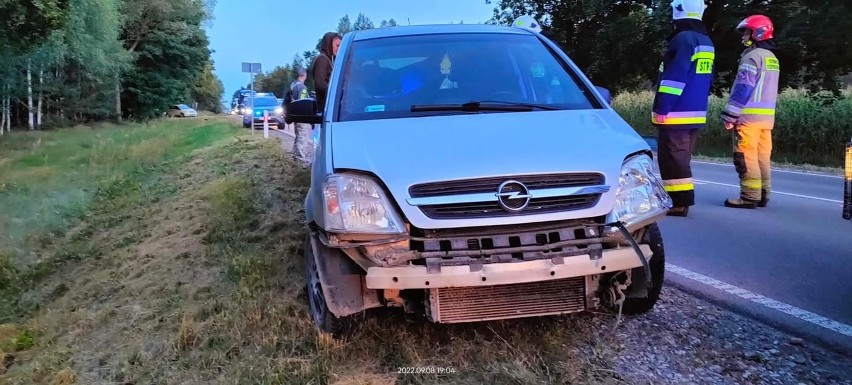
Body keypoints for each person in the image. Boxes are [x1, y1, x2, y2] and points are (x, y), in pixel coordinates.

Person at [650, 0, 715, 217]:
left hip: (676, 112)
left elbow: (674, 78)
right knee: (681, 157)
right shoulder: (705, 40)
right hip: (695, 112)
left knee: (672, 158)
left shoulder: (683, 40)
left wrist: (662, 107)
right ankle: (678, 200)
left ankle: (679, 202)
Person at [720, 15, 779, 209]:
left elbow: (743, 87)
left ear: (757, 33)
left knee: (745, 157)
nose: (744, 36)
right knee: (762, 157)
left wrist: (730, 115)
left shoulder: (752, 57)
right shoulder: (771, 58)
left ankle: (749, 196)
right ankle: (763, 194)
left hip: (748, 118)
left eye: (747, 31)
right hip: (766, 119)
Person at [311, 32, 342, 114]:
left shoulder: (330, 60)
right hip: (325, 109)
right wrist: (338, 94)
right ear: (328, 44)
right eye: (337, 45)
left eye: (340, 46)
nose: (339, 49)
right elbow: (320, 84)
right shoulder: (322, 59)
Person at [288, 67, 313, 166]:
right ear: (304, 75)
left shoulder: (293, 85)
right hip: (301, 116)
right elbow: (302, 102)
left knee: (298, 136)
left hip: (295, 115)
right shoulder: (302, 87)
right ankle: (300, 159)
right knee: (302, 137)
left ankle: (295, 156)